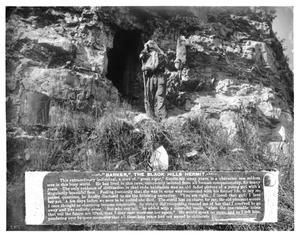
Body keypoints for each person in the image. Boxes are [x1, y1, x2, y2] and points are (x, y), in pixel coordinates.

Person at [139, 40, 167, 120]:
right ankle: (151, 116)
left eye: (150, 47)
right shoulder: (148, 55)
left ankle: (161, 118)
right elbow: (142, 55)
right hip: (151, 78)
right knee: (150, 96)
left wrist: (147, 68)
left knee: (159, 97)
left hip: (159, 77)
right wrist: (143, 52)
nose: (150, 49)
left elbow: (157, 65)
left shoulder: (161, 55)